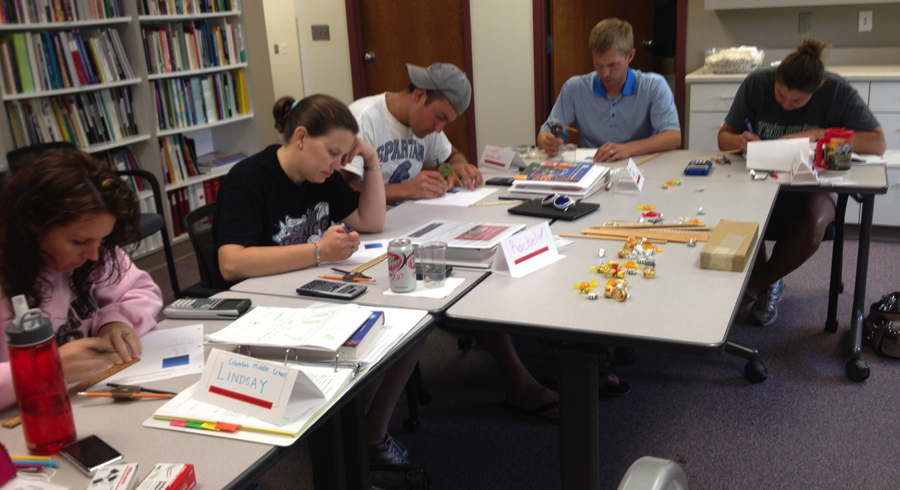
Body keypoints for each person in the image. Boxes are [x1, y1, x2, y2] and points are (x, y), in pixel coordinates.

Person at [214, 94, 416, 465]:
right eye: (333, 153)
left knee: (407, 332)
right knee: (372, 341)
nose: (339, 164)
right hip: (263, 308)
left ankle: (362, 435)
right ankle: (344, 444)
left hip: (306, 294)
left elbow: (371, 221)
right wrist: (318, 252)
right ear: (302, 137)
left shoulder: (321, 176)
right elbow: (231, 263)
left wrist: (371, 159)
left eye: (345, 155)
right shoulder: (248, 181)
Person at [717, 39, 886, 326]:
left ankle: (756, 287)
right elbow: (724, 138)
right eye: (780, 95)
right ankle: (766, 282)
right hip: (761, 180)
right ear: (775, 79)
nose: (786, 104)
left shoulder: (837, 91)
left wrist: (819, 134)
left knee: (811, 224)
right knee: (738, 215)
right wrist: (740, 141)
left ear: (817, 87)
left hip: (814, 185)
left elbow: (877, 143)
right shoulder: (757, 84)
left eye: (796, 101)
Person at [0, 149, 163, 409]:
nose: (94, 255)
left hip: (83, 397)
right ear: (32, 224)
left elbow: (142, 290)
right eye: (78, 241)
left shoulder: (93, 252)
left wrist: (114, 320)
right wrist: (44, 369)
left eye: (102, 240)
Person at [537, 18, 681, 162]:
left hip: (640, 163)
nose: (604, 73)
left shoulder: (653, 86)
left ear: (630, 56)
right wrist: (547, 142)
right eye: (598, 65)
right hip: (595, 165)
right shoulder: (574, 88)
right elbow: (545, 133)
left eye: (612, 65)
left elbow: (673, 137)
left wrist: (627, 149)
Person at [339, 62, 483, 204]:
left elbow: (454, 156)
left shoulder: (426, 125)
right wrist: (403, 190)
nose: (439, 129)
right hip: (365, 218)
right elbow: (335, 188)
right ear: (419, 95)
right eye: (440, 117)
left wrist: (458, 166)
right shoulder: (363, 120)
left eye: (446, 122)